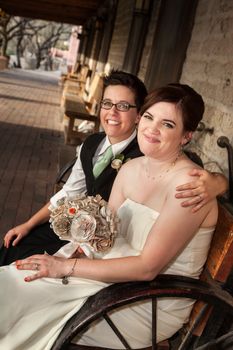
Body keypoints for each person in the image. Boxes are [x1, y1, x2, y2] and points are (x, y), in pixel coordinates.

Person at [0, 83, 219, 349]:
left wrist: (64, 268)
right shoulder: (131, 169)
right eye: (149, 117)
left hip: (145, 300)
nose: (152, 129)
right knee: (15, 279)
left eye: (168, 124)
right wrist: (71, 251)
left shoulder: (188, 186)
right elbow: (103, 233)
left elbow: (147, 267)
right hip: (110, 276)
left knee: (20, 299)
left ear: (187, 136)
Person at [0, 70, 226, 266]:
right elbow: (69, 193)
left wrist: (219, 182)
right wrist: (29, 224)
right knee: (10, 250)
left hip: (105, 243)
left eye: (123, 106)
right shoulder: (91, 144)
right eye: (107, 104)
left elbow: (192, 172)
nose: (112, 113)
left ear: (138, 114)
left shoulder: (149, 151)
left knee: (24, 265)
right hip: (77, 227)